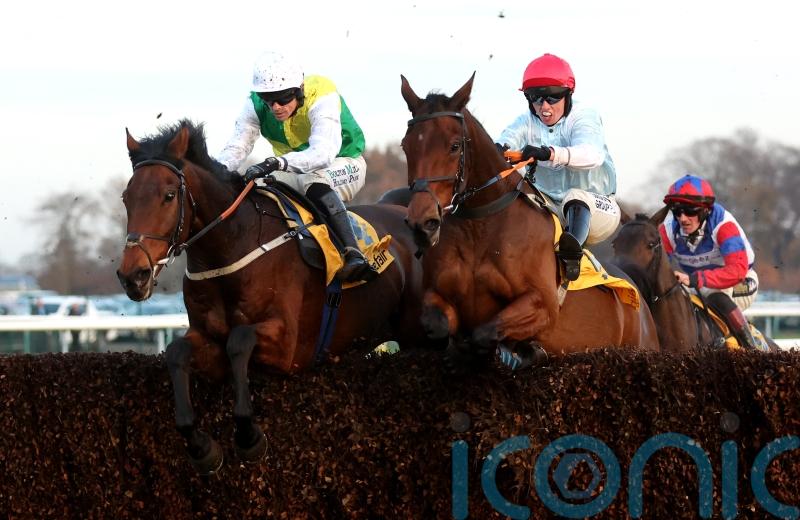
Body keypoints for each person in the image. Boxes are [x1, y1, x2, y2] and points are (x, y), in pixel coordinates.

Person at [217, 51, 377, 283]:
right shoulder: (255, 105)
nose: (275, 107)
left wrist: (278, 162)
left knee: (313, 180)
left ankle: (353, 254)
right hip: (294, 170)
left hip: (344, 163)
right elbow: (236, 147)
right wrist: (215, 171)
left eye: (283, 99)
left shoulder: (321, 94)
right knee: (256, 187)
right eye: (268, 100)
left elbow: (323, 154)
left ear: (299, 89)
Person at [497, 53, 620, 281]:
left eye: (552, 99)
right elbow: (506, 139)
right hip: (549, 206)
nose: (543, 107)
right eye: (535, 98)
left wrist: (550, 153)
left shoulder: (584, 116)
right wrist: (497, 150)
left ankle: (571, 259)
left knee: (575, 196)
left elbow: (592, 155)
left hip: (598, 208)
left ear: (567, 96)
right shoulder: (526, 120)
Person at [659, 174, 759, 349]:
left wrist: (696, 280)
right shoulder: (667, 230)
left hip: (742, 281)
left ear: (705, 210)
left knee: (716, 297)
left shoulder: (723, 226)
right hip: (697, 283)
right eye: (677, 211)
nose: (682, 218)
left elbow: (737, 270)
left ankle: (752, 351)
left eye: (690, 211)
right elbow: (657, 266)